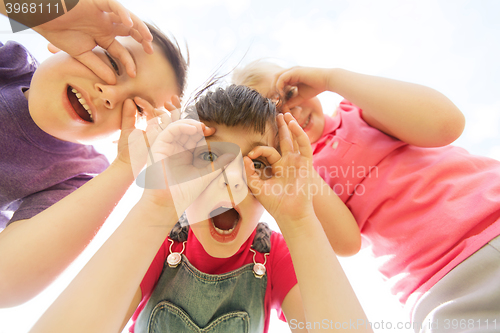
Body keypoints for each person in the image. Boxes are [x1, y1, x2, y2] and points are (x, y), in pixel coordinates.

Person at [28, 84, 372, 333]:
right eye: (210, 158)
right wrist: (156, 208)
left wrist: (300, 220)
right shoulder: (159, 244)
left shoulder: (277, 258)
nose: (231, 182)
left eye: (259, 164)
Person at [233, 61, 500, 332]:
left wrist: (331, 78)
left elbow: (447, 124)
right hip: (436, 282)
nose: (292, 111)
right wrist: (293, 160)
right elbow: (346, 241)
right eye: (275, 116)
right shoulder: (305, 173)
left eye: (290, 95)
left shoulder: (357, 114)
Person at [0, 0, 188, 306]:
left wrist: (126, 167)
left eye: (138, 108)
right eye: (113, 63)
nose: (111, 95)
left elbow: (5, 282)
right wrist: (43, 12)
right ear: (57, 43)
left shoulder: (74, 176)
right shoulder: (9, 63)